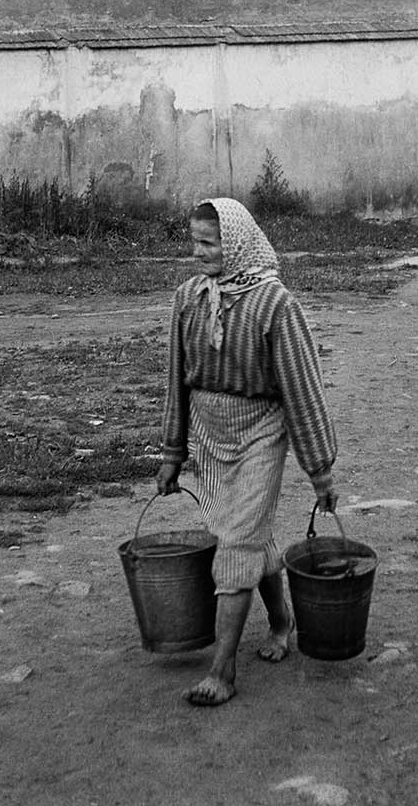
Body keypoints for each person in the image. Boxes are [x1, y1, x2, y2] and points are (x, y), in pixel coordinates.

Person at [156, 197, 338, 708]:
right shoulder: (189, 298)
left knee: (235, 542)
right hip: (212, 437)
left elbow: (303, 391)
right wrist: (173, 453)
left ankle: (223, 666)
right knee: (243, 531)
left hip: (261, 431)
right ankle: (281, 622)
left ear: (234, 243)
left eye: (209, 243)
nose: (198, 253)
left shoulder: (275, 305)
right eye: (193, 242)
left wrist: (321, 471)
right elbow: (175, 381)